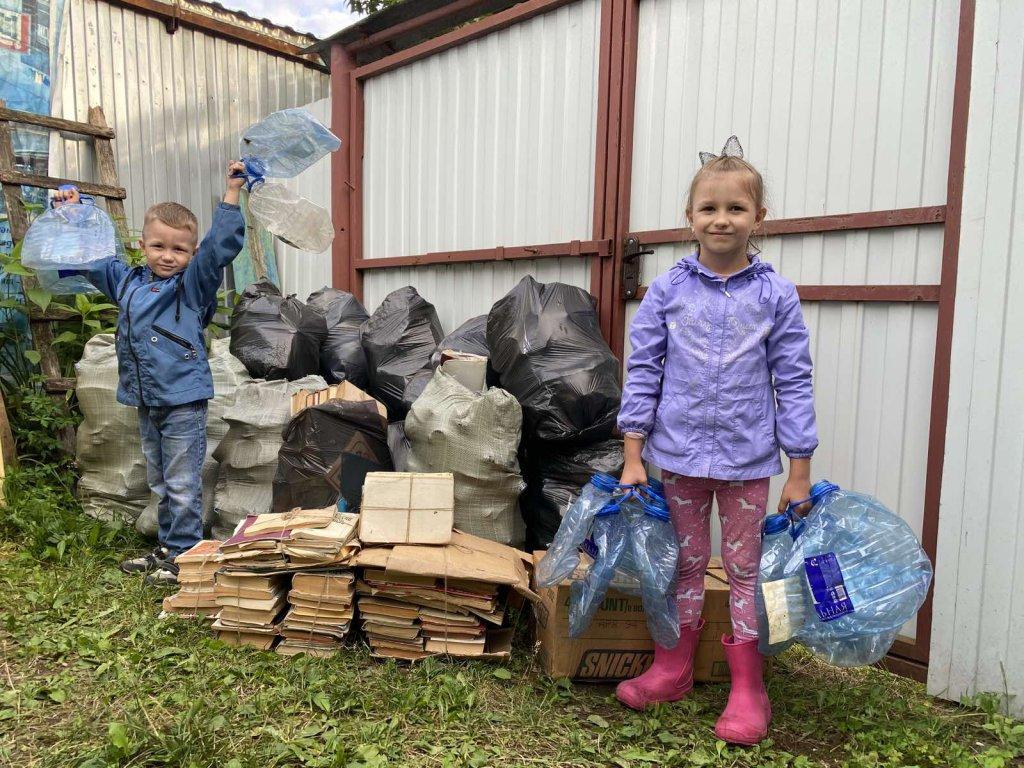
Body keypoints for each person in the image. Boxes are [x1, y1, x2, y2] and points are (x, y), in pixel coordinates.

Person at [614, 137, 817, 745]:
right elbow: (643, 369)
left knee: (745, 571)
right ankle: (672, 669)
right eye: (709, 208)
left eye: (735, 208)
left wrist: (799, 467)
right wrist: (633, 455)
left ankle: (747, 689)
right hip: (674, 459)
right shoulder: (667, 292)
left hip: (748, 462)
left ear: (759, 218)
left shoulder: (775, 295)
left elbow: (794, 378)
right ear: (689, 217)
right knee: (683, 564)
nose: (721, 220)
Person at [54, 162, 247, 585]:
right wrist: (77, 212)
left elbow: (219, 248)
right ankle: (169, 545)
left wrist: (232, 193)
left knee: (181, 481)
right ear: (142, 245)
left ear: (191, 254)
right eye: (158, 246)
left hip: (182, 401)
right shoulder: (128, 283)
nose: (167, 256)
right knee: (160, 478)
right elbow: (96, 262)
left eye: (178, 250)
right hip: (146, 398)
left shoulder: (192, 286)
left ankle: (185, 555)